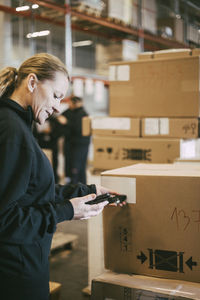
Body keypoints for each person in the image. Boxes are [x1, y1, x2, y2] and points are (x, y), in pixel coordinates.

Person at [0, 53, 119, 300]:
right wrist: (65, 211)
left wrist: (87, 191)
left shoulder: (19, 126)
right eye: (55, 96)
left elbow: (31, 192)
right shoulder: (11, 132)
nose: (57, 107)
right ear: (32, 82)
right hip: (15, 277)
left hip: (24, 266)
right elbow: (5, 220)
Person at [57, 95, 90, 184]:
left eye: (70, 103)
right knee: (69, 166)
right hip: (69, 143)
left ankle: (78, 186)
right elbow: (60, 119)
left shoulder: (83, 114)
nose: (69, 105)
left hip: (80, 145)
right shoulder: (69, 112)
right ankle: (71, 184)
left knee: (77, 167)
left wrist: (66, 122)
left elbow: (79, 129)